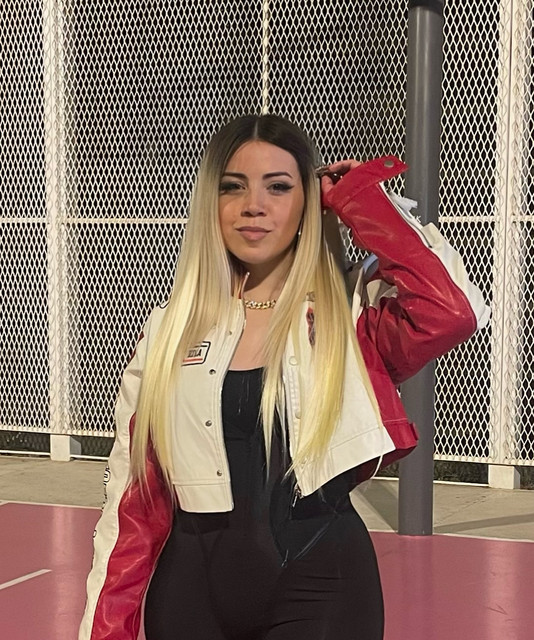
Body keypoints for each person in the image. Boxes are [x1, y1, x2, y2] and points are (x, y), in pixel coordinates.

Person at [78, 114, 489, 640]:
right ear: (211, 204)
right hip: (189, 598)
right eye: (233, 187)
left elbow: (452, 311)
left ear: (308, 203)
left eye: (278, 187)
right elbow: (135, 499)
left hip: (324, 590)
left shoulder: (350, 313)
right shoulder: (170, 328)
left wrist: (362, 200)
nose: (254, 205)